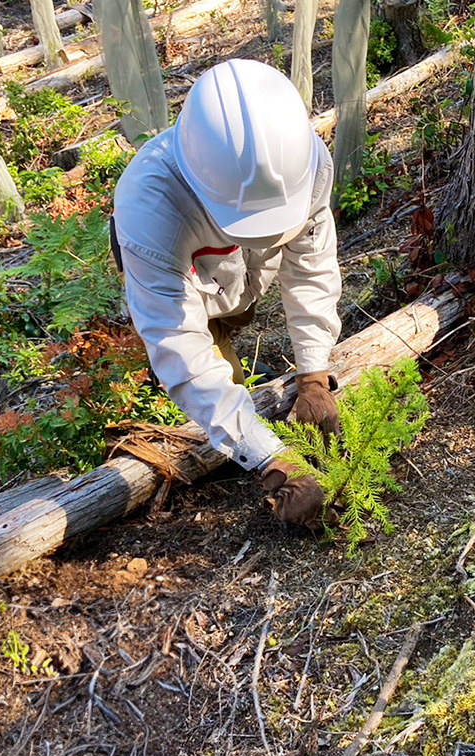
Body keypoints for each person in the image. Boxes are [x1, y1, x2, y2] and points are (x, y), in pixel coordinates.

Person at [111, 58, 342, 529]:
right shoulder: (150, 213)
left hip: (240, 284)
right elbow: (181, 345)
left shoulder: (304, 162)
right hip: (191, 291)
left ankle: (240, 366)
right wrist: (272, 460)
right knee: (217, 369)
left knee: (237, 321)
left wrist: (314, 374)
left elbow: (311, 266)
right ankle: (236, 424)